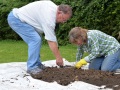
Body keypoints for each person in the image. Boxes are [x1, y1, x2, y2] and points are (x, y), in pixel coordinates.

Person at [7, 0, 72, 76]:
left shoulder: (52, 8)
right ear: (59, 12)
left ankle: (37, 64)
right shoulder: (49, 17)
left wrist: (58, 55)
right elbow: (51, 41)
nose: (63, 22)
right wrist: (58, 58)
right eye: (63, 19)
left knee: (37, 39)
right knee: (35, 40)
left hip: (24, 20)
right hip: (17, 19)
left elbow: (53, 37)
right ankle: (32, 67)